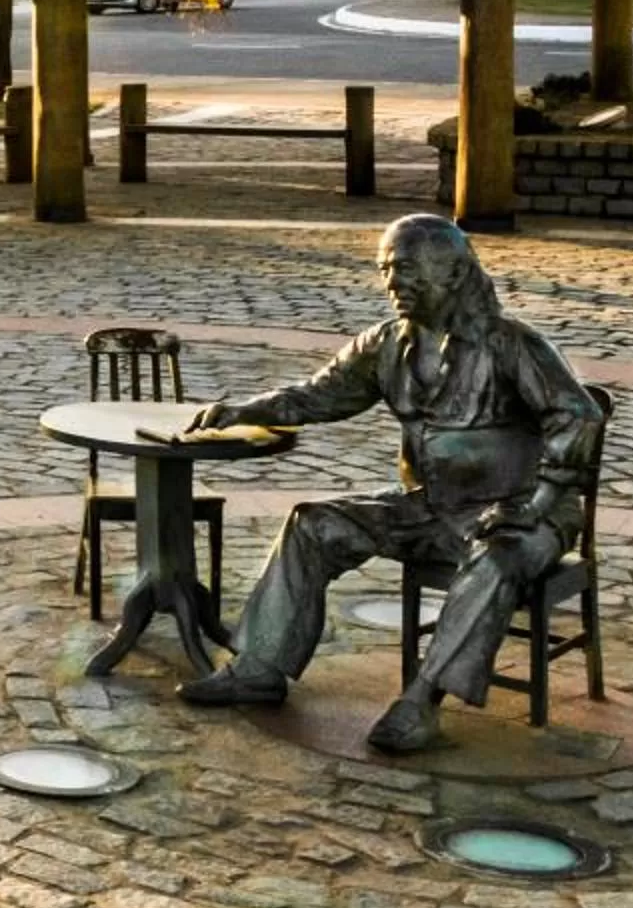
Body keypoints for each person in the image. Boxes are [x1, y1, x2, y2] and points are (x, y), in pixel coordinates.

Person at [178, 214, 604, 753]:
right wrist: (244, 409)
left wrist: (540, 503)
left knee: (494, 561)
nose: (392, 284)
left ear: (450, 273)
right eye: (385, 271)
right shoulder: (385, 344)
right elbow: (319, 395)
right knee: (313, 524)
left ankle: (420, 702)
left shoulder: (510, 344)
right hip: (430, 506)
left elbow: (580, 417)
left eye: (405, 270)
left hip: (522, 513)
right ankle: (259, 667)